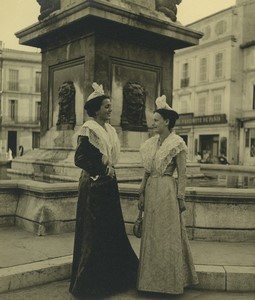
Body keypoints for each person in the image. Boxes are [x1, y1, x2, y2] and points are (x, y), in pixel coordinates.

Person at [69, 82, 138, 299]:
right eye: (107, 106)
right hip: (93, 185)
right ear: (96, 109)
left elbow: (111, 158)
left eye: (110, 106)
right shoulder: (89, 129)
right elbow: (79, 159)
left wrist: (109, 168)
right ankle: (90, 286)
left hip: (107, 184)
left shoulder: (109, 130)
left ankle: (110, 282)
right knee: (94, 233)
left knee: (110, 230)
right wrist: (101, 164)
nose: (110, 109)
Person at [137, 95, 198, 295]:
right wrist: (142, 191)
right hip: (152, 190)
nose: (153, 123)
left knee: (167, 236)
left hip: (167, 192)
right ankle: (150, 282)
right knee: (152, 236)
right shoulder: (151, 144)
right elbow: (147, 170)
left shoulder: (177, 143)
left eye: (156, 120)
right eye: (153, 120)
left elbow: (183, 174)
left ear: (167, 122)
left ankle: (169, 284)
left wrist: (180, 198)